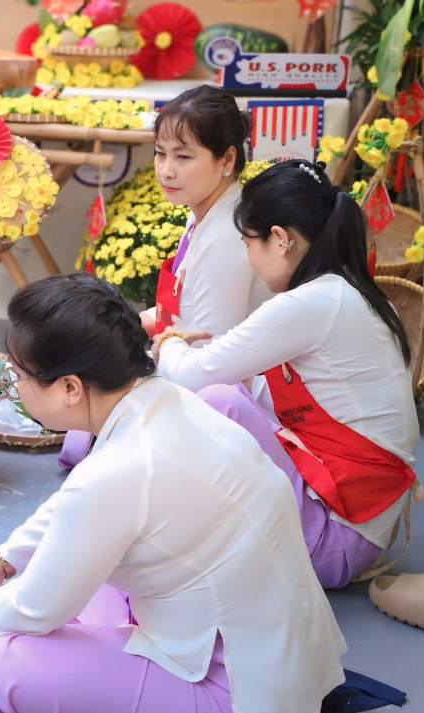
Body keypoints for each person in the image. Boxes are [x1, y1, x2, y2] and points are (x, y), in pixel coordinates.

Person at [0, 273, 346, 713]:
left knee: (3, 667)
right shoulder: (165, 400)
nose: (14, 389)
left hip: (237, 693)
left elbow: (40, 604)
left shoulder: (119, 469)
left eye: (17, 378)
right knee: (64, 586)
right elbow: (78, 504)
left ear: (70, 387)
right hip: (277, 656)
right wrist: (4, 561)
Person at [154, 160, 419, 588]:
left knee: (218, 401)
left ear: (280, 240)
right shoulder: (349, 292)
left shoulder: (312, 303)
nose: (247, 257)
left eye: (248, 243)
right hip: (360, 528)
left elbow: (192, 377)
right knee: (232, 393)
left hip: (336, 540)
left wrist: (170, 342)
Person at [59, 85, 270, 469]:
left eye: (183, 156)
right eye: (160, 153)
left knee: (85, 415)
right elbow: (180, 312)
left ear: (227, 159)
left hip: (226, 399)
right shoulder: (206, 210)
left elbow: (207, 363)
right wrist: (107, 331)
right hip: (185, 357)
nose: (166, 170)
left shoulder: (226, 235)